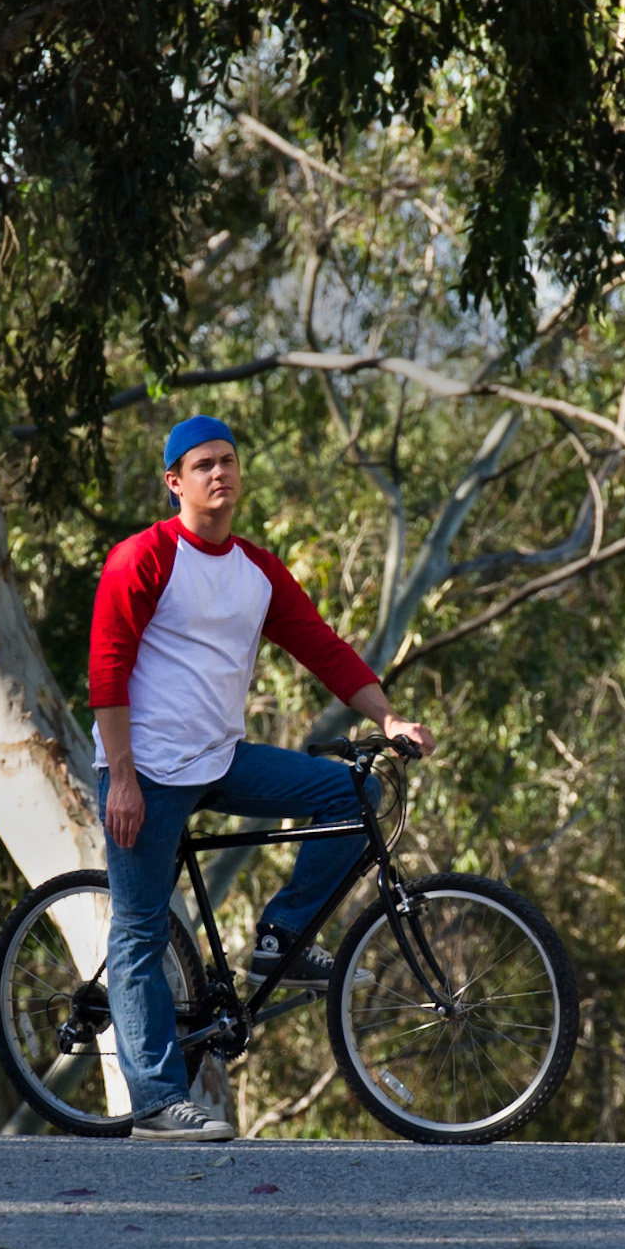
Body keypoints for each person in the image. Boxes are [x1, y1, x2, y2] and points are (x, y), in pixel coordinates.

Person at [86, 413, 434, 1142]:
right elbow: (108, 670)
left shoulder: (256, 571)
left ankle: (279, 934)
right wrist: (120, 778)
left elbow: (322, 647)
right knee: (141, 928)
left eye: (229, 461)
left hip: (220, 759)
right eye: (203, 464)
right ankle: (154, 1101)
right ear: (175, 482)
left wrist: (389, 717)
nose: (220, 473)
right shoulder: (143, 558)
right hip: (144, 769)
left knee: (352, 792)